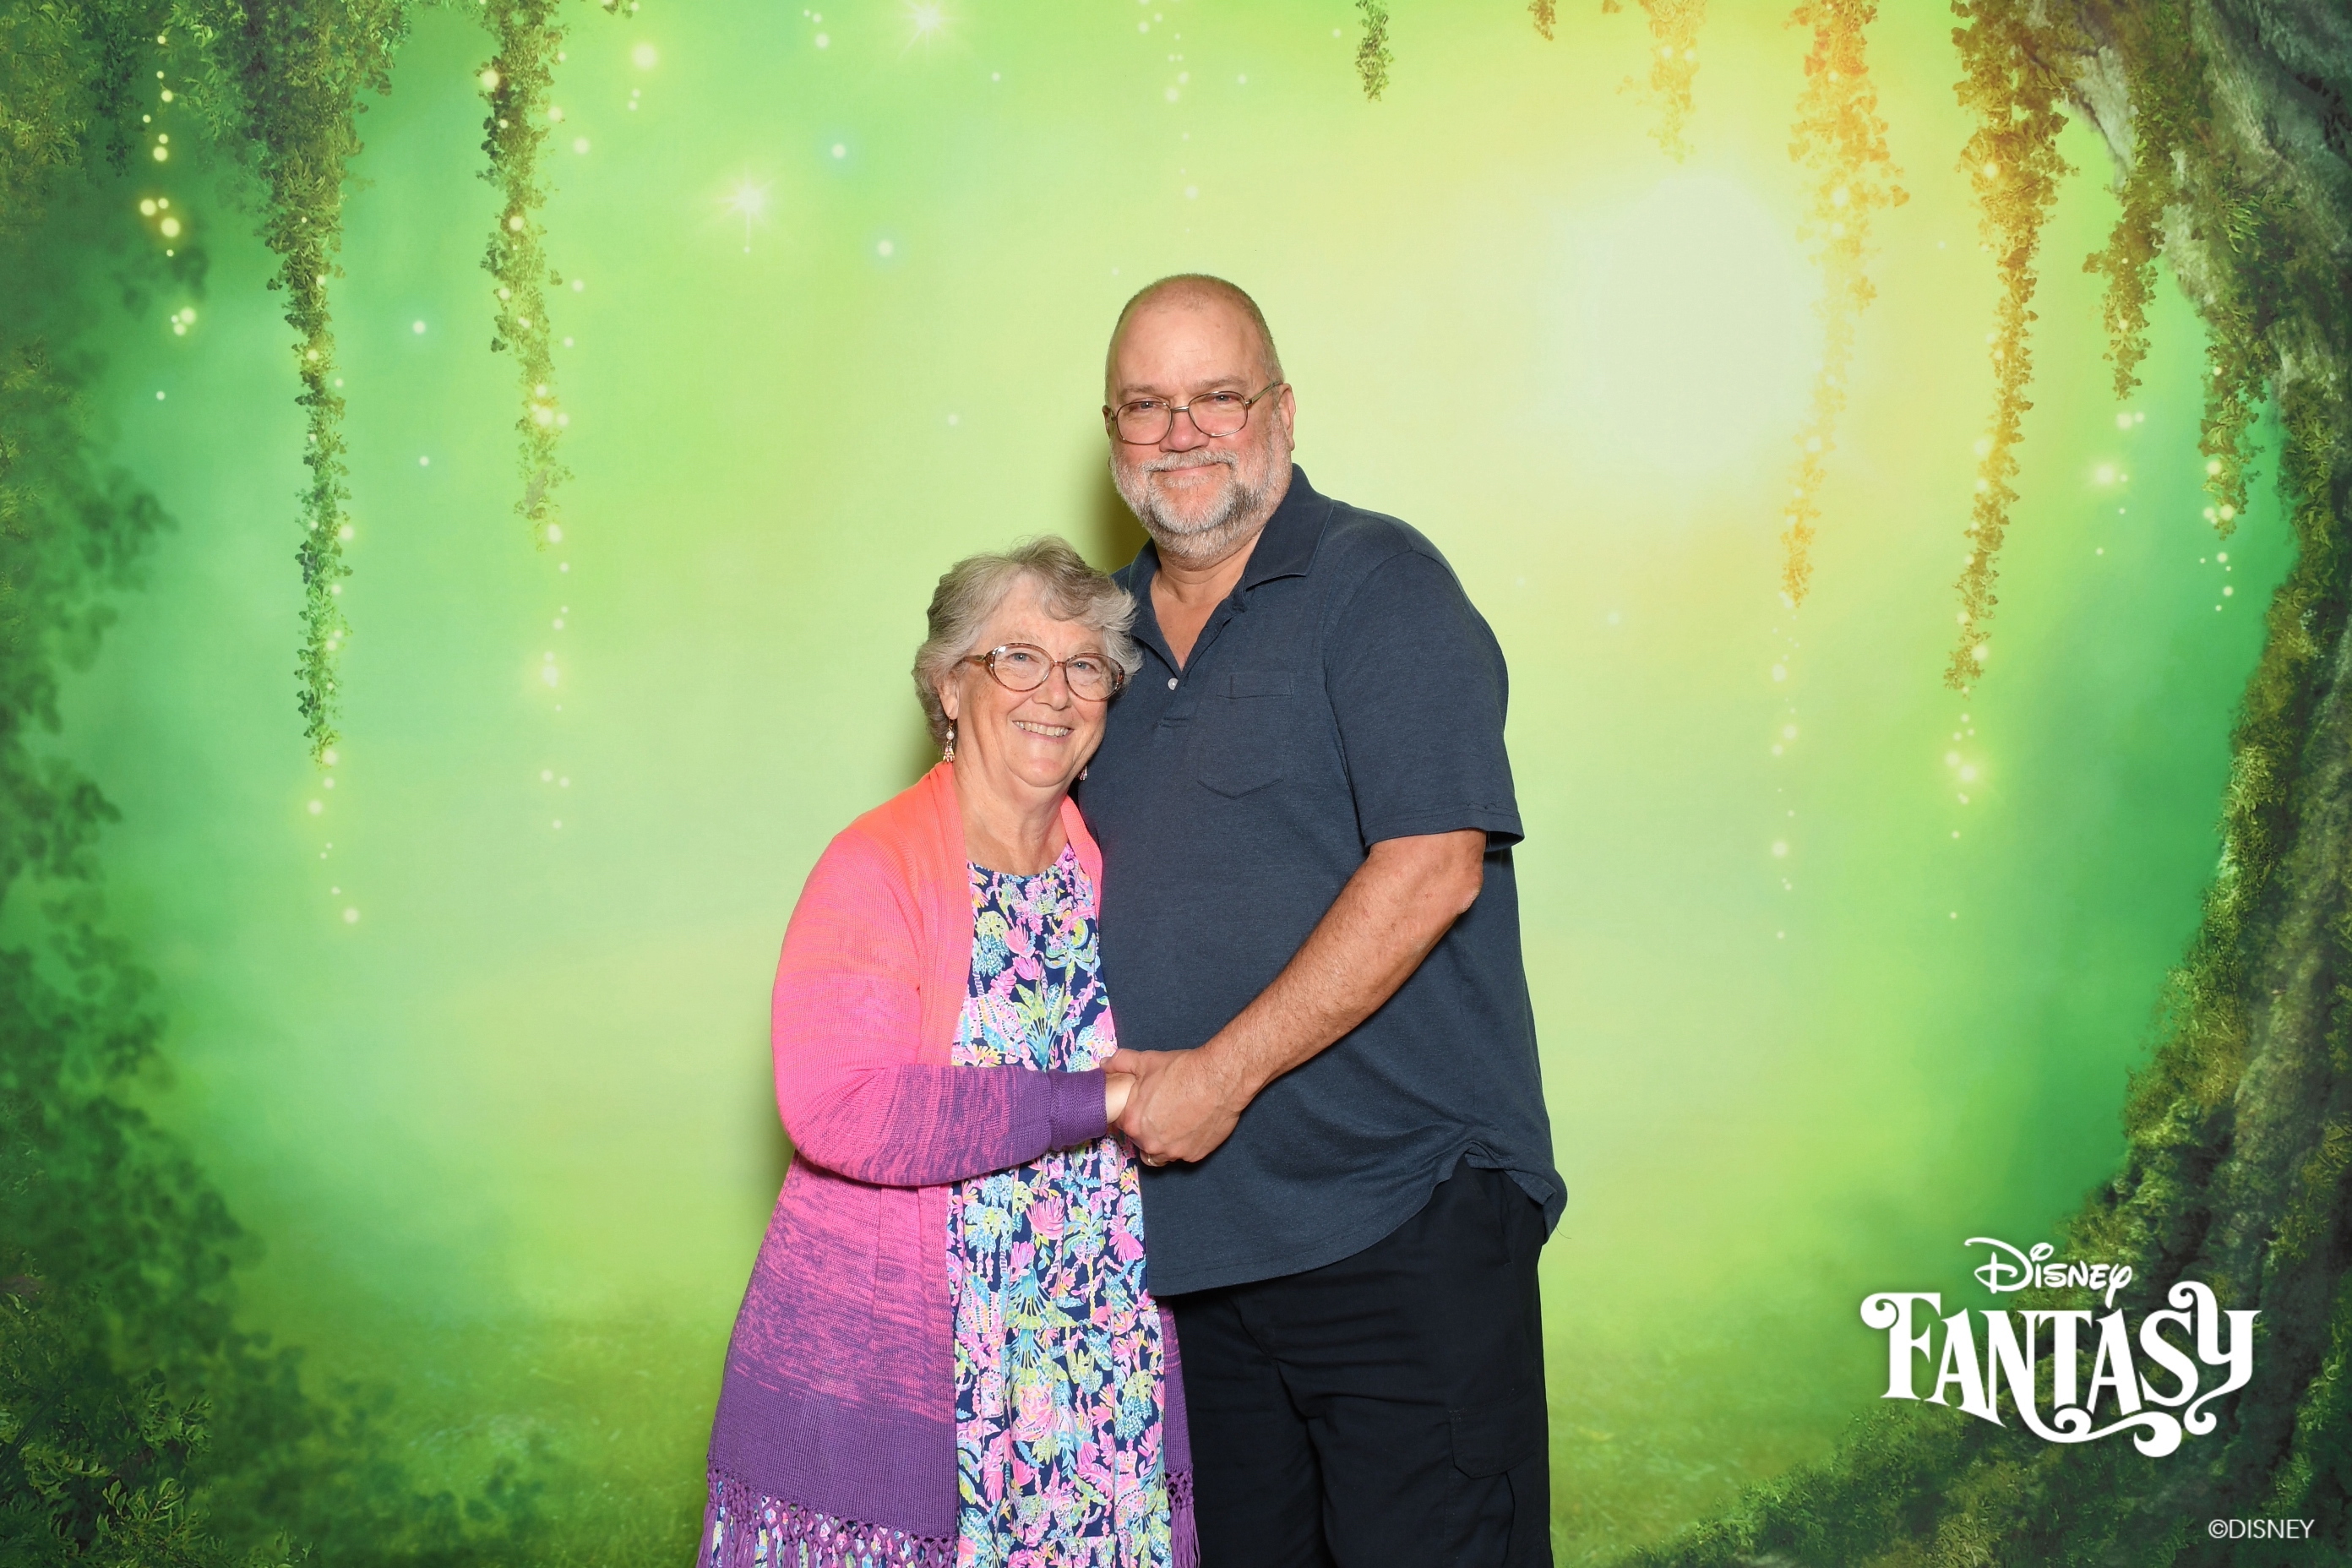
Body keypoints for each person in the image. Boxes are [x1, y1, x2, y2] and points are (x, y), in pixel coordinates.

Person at [1079, 275, 1562, 1567]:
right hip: (1192, 1263)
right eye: (1147, 406)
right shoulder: (1091, 646)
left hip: (1398, 1224)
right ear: (1113, 432)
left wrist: (1218, 1077)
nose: (1182, 433)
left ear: (1282, 413)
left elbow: (1435, 867)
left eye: (1217, 398)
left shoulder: (1377, 584)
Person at [700, 537, 1195, 1568]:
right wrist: (1093, 1100)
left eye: (1086, 665)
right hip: (932, 1360)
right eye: (1018, 657)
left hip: (1094, 1364)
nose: (1055, 692)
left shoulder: (1103, 865)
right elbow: (840, 1105)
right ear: (949, 687)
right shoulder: (874, 864)